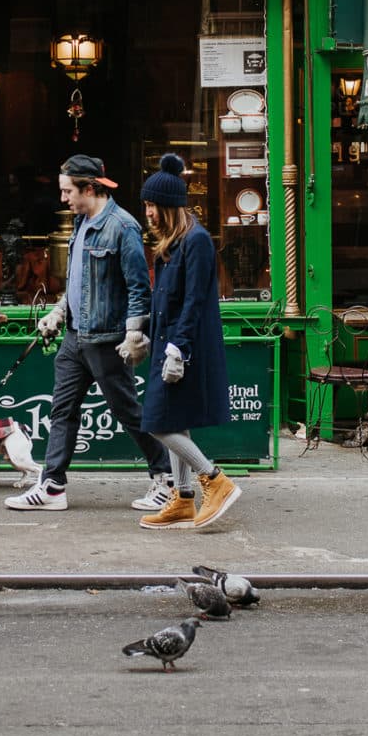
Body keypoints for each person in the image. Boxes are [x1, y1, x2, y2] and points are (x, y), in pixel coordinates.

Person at [5, 153, 175, 512]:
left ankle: (167, 478)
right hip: (74, 337)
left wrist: (133, 335)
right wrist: (57, 312)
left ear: (90, 188)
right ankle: (52, 486)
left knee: (128, 410)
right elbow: (79, 283)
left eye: (68, 191)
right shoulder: (81, 223)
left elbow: (139, 287)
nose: (63, 198)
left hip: (107, 339)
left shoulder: (122, 227)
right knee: (62, 410)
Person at [134, 154, 241, 530]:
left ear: (168, 207)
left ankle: (215, 480)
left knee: (158, 422)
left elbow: (195, 301)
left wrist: (178, 349)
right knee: (175, 421)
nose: (147, 212)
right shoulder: (172, 244)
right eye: (146, 204)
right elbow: (165, 298)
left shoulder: (195, 242)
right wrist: (146, 335)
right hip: (168, 345)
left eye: (152, 206)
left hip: (185, 349)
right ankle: (182, 500)